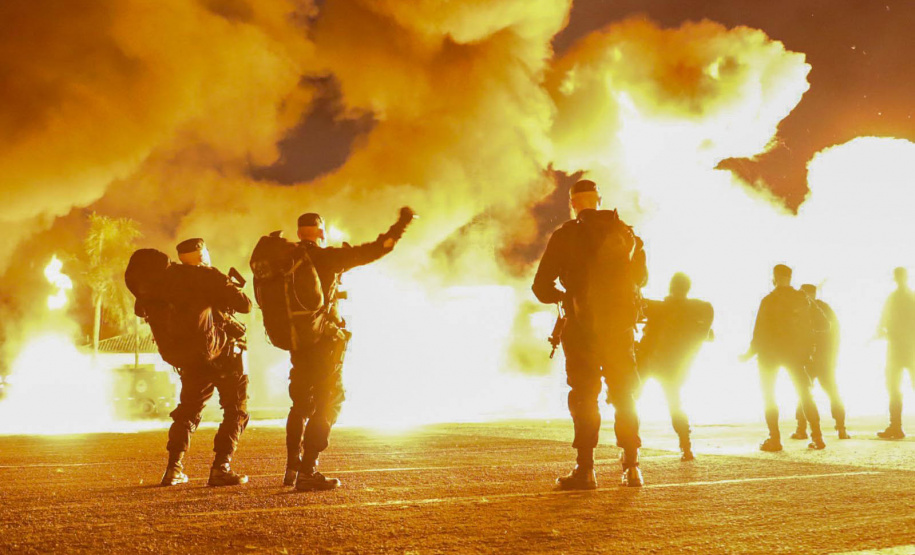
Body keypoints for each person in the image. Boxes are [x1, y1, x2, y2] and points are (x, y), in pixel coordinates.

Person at [285, 207, 414, 492]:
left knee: (300, 404)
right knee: (329, 399)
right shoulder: (328, 257)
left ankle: (291, 466)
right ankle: (308, 469)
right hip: (325, 343)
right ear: (321, 232)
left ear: (298, 233)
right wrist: (400, 226)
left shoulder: (285, 259)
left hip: (297, 343)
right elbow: (377, 249)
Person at [532, 179, 648, 489]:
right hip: (621, 328)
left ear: (573, 204)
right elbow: (642, 278)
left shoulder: (566, 235)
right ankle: (632, 467)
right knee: (624, 393)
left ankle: (586, 470)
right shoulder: (627, 233)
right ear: (598, 200)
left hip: (582, 328)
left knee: (584, 396)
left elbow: (541, 287)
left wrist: (565, 297)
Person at [160, 238, 252, 487]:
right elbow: (245, 306)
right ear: (202, 254)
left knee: (188, 411)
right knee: (236, 410)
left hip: (190, 358)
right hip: (223, 355)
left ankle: (173, 469)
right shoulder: (210, 275)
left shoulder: (168, 279)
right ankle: (221, 468)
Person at [742, 264, 826, 452]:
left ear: (775, 277)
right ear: (790, 276)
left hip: (769, 354)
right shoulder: (802, 298)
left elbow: (759, 332)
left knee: (769, 396)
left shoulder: (769, 300)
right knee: (805, 394)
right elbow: (824, 324)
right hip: (795, 353)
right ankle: (818, 437)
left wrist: (748, 354)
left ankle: (775, 439)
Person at [637, 273, 713, 461]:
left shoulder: (659, 307)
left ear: (671, 287)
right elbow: (707, 317)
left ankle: (629, 445)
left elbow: (636, 305)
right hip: (674, 366)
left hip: (649, 361)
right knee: (675, 404)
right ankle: (685, 446)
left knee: (631, 401)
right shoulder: (695, 309)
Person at [791, 284, 848, 440]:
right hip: (825, 360)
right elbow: (836, 334)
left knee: (804, 393)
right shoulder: (825, 309)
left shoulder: (802, 310)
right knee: (832, 392)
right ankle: (841, 428)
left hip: (809, 359)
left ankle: (801, 429)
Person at [876, 267, 915, 439]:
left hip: (901, 349)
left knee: (894, 388)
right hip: (906, 349)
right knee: (893, 388)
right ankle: (895, 426)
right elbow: (883, 322)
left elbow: (882, 322)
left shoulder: (895, 298)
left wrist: (884, 331)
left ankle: (896, 427)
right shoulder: (908, 297)